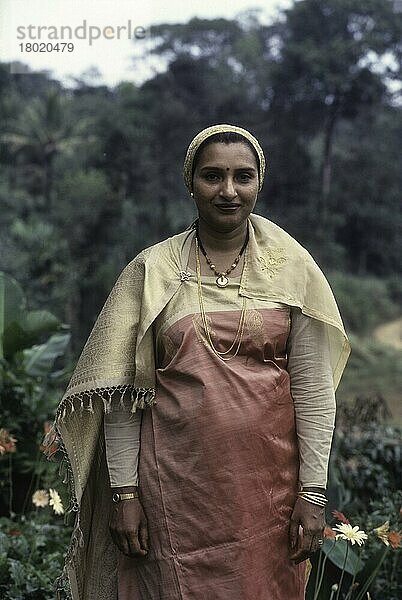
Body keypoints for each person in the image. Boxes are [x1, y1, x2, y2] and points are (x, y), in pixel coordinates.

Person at [47, 124, 350, 600]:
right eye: (213, 176)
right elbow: (124, 395)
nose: (229, 191)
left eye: (242, 177)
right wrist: (125, 494)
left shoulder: (294, 269)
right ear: (191, 182)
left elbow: (312, 389)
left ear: (259, 183)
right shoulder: (151, 272)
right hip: (174, 495)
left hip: (267, 494)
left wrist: (312, 493)